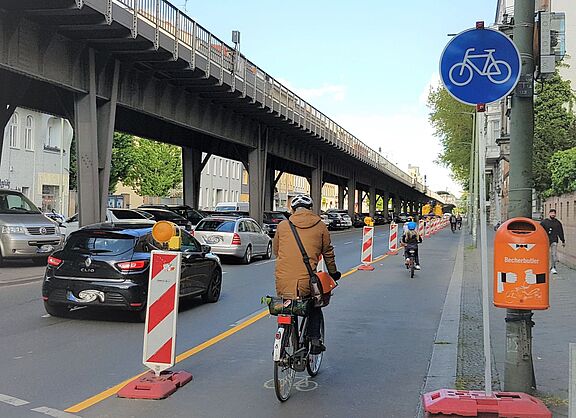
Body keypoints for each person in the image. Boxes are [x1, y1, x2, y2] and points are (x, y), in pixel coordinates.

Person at [273, 194, 341, 354]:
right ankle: (315, 340)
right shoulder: (320, 226)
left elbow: (276, 251)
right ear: (311, 208)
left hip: (283, 281)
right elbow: (328, 253)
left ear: (293, 209)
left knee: (287, 306)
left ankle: (283, 340)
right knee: (315, 304)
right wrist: (333, 273)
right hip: (306, 283)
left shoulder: (283, 225)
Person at [540, 208, 565, 274]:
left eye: (554, 213)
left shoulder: (557, 223)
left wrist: (563, 240)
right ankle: (543, 267)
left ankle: (553, 267)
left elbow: (560, 232)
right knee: (544, 254)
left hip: (554, 240)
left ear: (555, 214)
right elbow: (540, 231)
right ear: (549, 214)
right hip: (545, 241)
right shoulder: (544, 222)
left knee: (554, 255)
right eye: (552, 213)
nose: (553, 214)